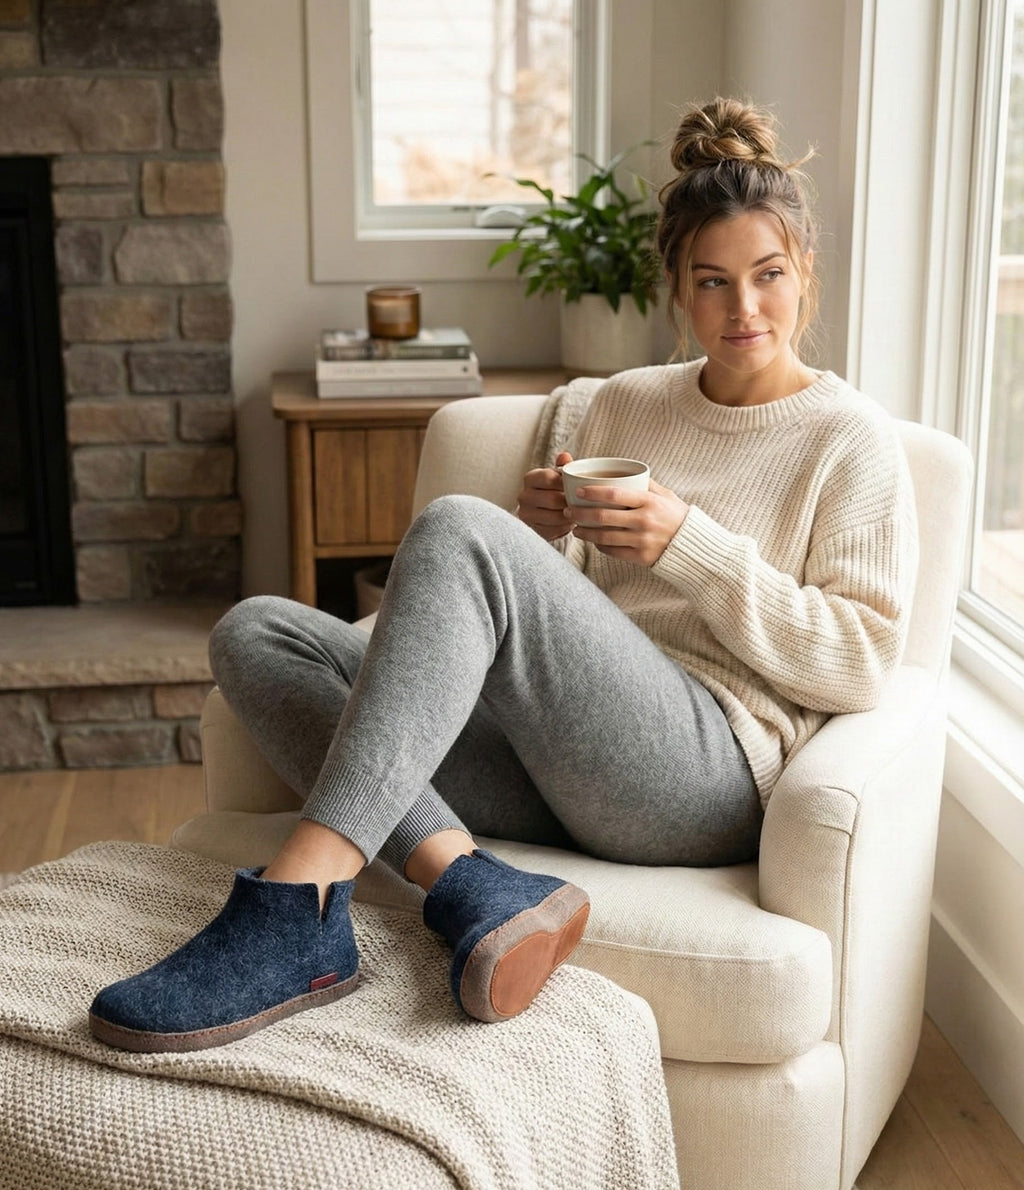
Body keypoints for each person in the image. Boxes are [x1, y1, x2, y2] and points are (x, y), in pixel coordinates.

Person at [89, 98, 918, 1055]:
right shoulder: (621, 404)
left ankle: (297, 903)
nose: (744, 309)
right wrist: (541, 537)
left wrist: (686, 541)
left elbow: (862, 661)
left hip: (704, 774)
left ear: (805, 268)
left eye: (768, 275)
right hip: (560, 757)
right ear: (677, 290)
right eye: (713, 281)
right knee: (256, 631)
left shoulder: (849, 440)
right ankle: (471, 883)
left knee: (456, 528)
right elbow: (553, 622)